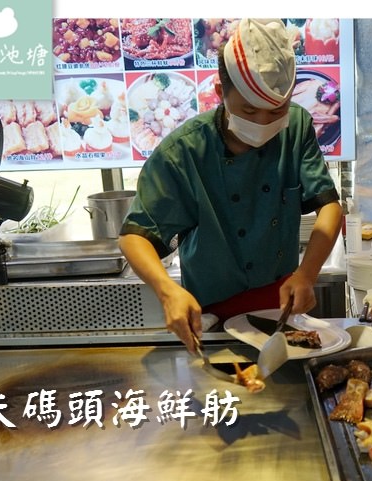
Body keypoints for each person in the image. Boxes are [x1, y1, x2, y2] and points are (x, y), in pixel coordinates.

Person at [118, 19, 343, 353]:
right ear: (221, 93)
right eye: (250, 110)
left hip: (281, 300)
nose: (265, 123)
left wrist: (308, 274)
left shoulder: (296, 125)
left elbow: (329, 205)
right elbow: (134, 236)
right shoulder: (184, 151)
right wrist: (168, 292)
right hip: (209, 310)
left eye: (276, 109)